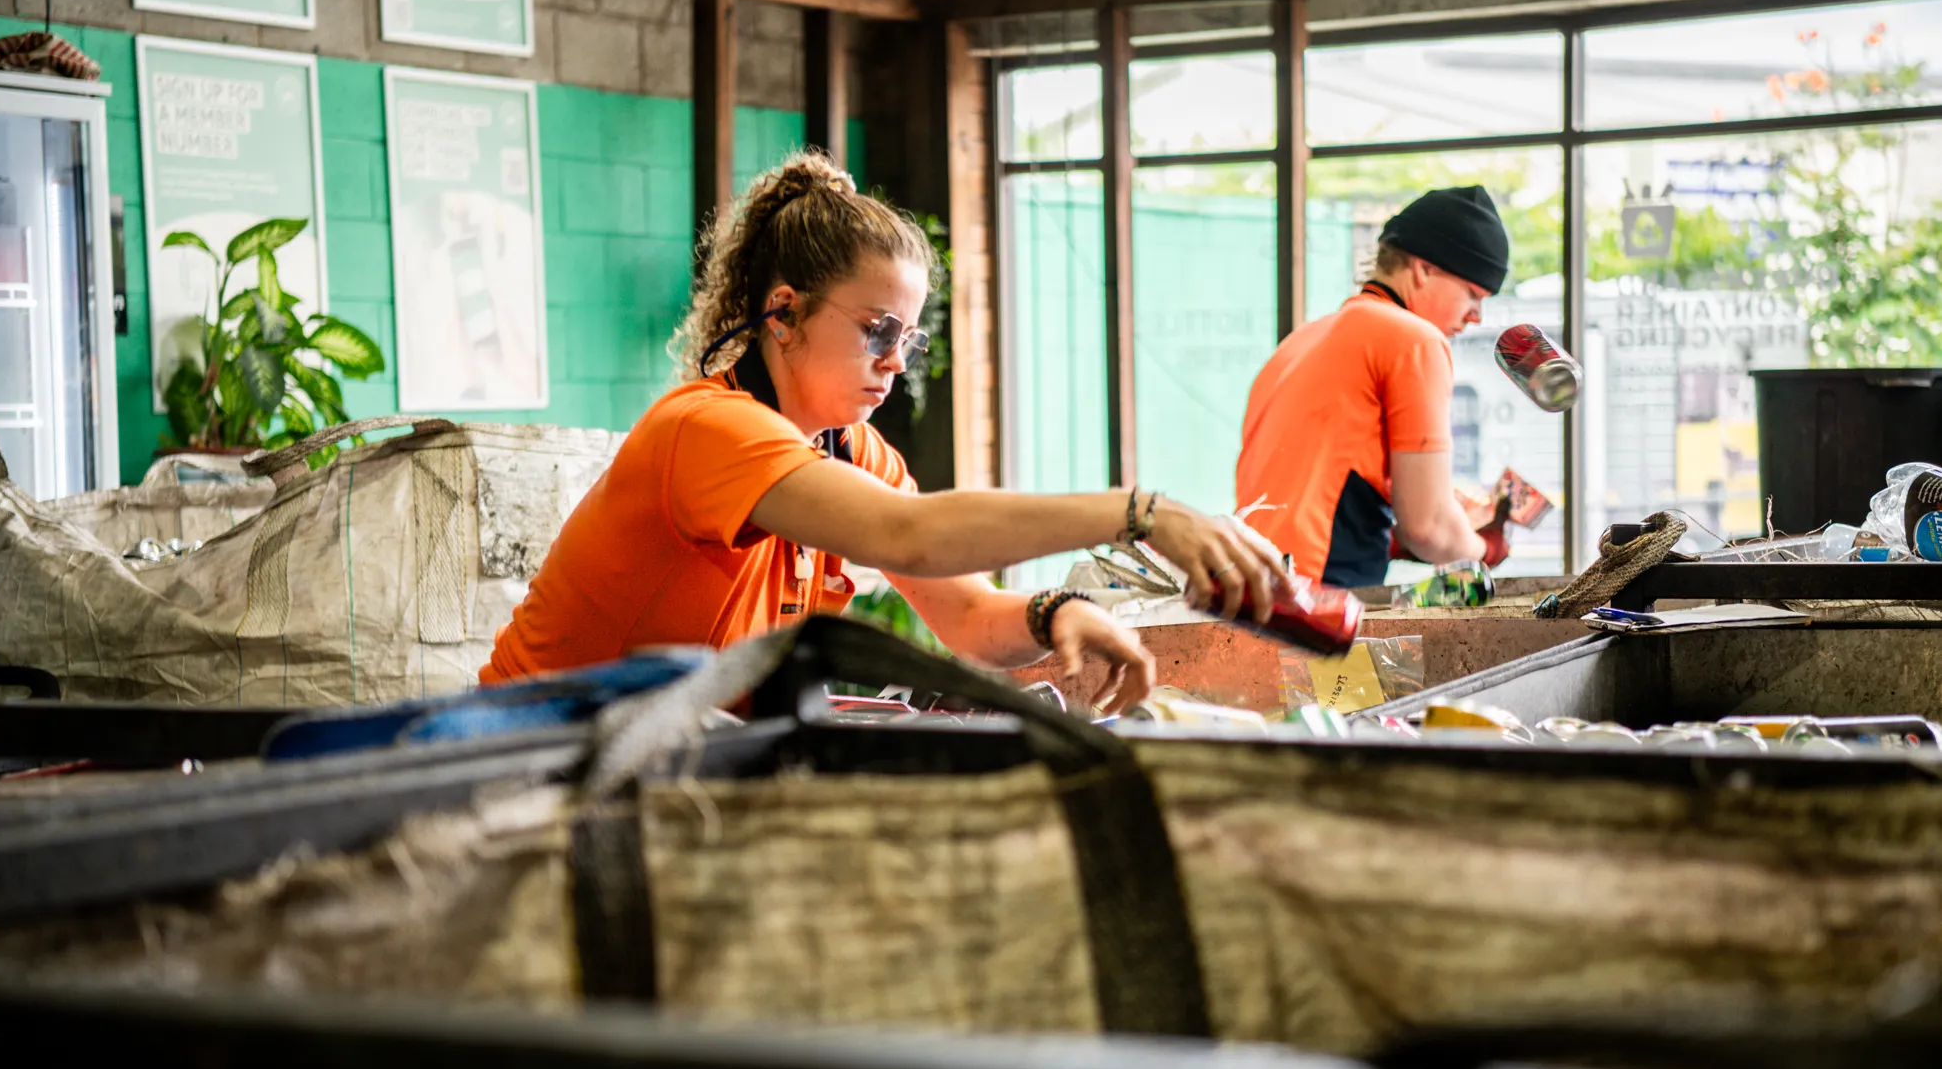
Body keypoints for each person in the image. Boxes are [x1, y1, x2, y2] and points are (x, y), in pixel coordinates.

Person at [481, 152, 1290, 713]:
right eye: (877, 331)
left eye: (909, 340)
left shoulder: (849, 449)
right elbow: (909, 535)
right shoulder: (708, 429)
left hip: (664, 756)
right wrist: (1140, 512)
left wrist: (1054, 613)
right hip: (534, 760)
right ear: (784, 313)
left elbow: (970, 619)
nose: (896, 363)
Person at [1235, 185, 1514, 588]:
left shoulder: (1304, 339)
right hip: (1319, 597)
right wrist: (1484, 548)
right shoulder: (1415, 339)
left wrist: (1397, 533)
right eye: (1473, 294)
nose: (1476, 317)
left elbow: (1319, 492)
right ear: (1424, 270)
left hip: (1252, 584)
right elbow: (1429, 526)